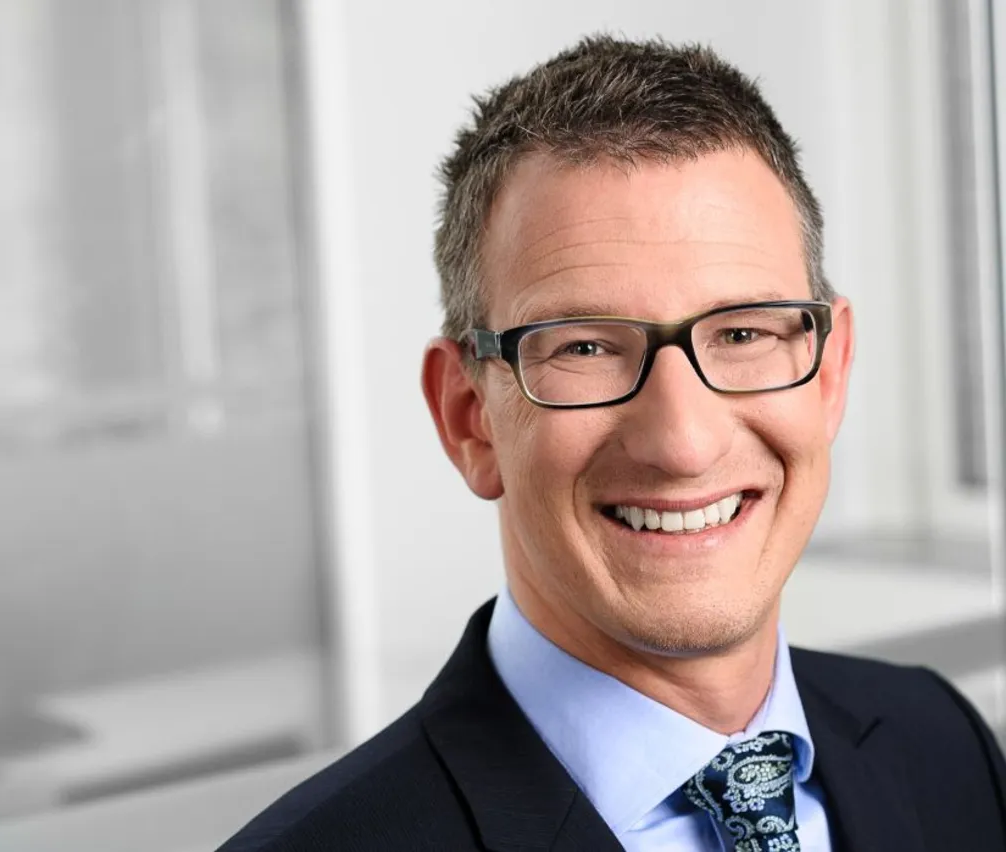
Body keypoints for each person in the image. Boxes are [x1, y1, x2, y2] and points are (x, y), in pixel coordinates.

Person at [219, 35, 1006, 852]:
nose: (683, 442)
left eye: (743, 333)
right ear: (468, 416)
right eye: (585, 347)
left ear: (831, 373)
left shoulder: (940, 743)